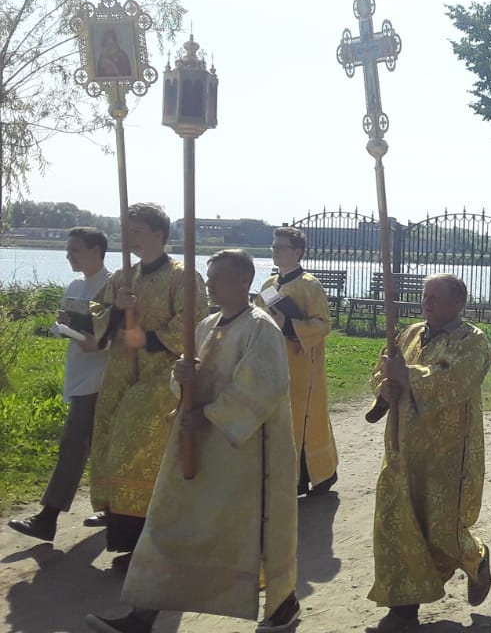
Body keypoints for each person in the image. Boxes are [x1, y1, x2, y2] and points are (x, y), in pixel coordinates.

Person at [86, 250, 299, 633]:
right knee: (170, 522)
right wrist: (181, 376)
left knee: (252, 533)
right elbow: (183, 382)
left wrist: (208, 415)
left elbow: (263, 389)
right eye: (209, 276)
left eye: (218, 277)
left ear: (244, 280)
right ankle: (143, 614)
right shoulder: (205, 325)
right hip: (196, 446)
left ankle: (282, 603)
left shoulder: (260, 328)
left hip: (243, 456)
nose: (210, 284)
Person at [367, 274, 491, 632]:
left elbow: (455, 380)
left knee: (439, 529)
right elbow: (382, 370)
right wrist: (385, 389)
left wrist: (407, 376)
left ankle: (476, 557)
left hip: (446, 455)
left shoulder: (472, 341)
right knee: (396, 523)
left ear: (458, 303)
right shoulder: (408, 334)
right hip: (401, 447)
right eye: (425, 296)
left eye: (435, 297)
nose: (427, 303)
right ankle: (402, 609)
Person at [88, 203, 208, 571]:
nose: (129, 237)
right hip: (121, 371)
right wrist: (115, 308)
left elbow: (194, 323)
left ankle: (148, 540)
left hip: (162, 374)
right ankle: (122, 530)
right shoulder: (124, 276)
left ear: (158, 233)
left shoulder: (183, 276)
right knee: (111, 437)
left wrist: (149, 337)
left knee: (135, 443)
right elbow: (96, 311)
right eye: (126, 230)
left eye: (136, 230)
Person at [8, 228, 111, 542]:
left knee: (73, 444)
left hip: (100, 375)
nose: (68, 256)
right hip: (78, 370)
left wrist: (94, 339)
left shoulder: (111, 287)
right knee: (100, 445)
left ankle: (48, 518)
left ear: (96, 250)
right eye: (68, 250)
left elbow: (115, 335)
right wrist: (63, 325)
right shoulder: (75, 285)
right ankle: (117, 509)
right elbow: (66, 325)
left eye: (75, 250)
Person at [255, 226, 338, 497]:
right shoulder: (269, 285)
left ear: (298, 252)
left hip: (303, 364)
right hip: (274, 362)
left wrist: (289, 324)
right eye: (274, 246)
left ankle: (317, 475)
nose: (276, 251)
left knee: (303, 418)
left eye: (281, 247)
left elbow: (323, 324)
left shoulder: (310, 285)